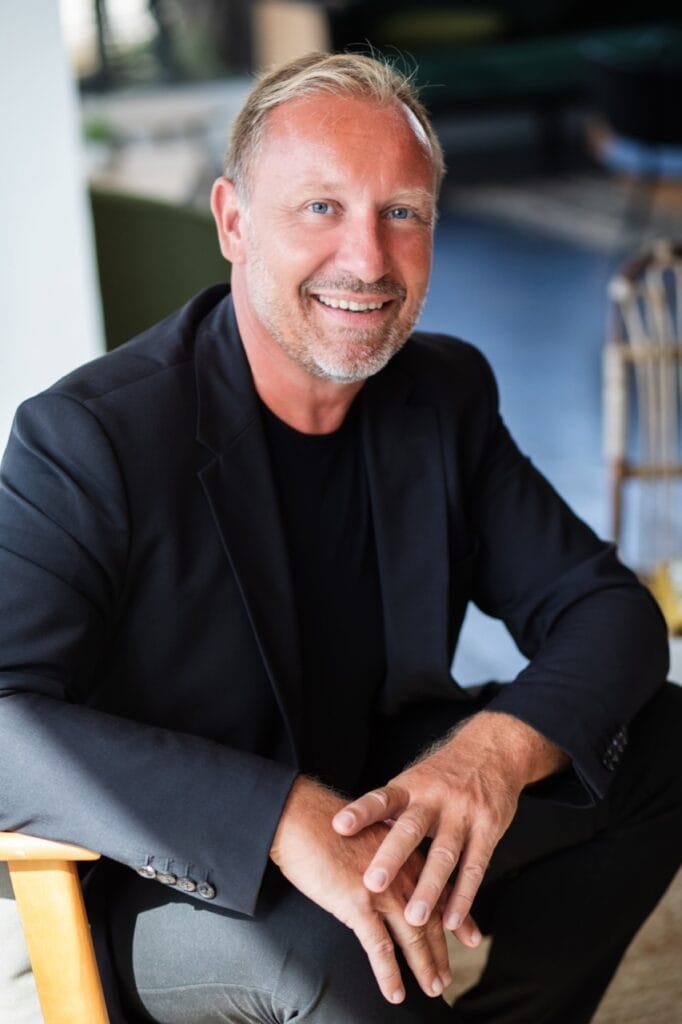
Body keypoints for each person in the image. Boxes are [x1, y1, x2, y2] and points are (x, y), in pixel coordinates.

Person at [0, 51, 680, 1024]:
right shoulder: (89, 437)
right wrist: (278, 815)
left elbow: (608, 612)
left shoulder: (442, 394)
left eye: (401, 211)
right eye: (321, 207)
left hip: (381, 795)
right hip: (183, 873)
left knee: (660, 743)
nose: (367, 258)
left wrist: (490, 755)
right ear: (234, 222)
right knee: (344, 950)